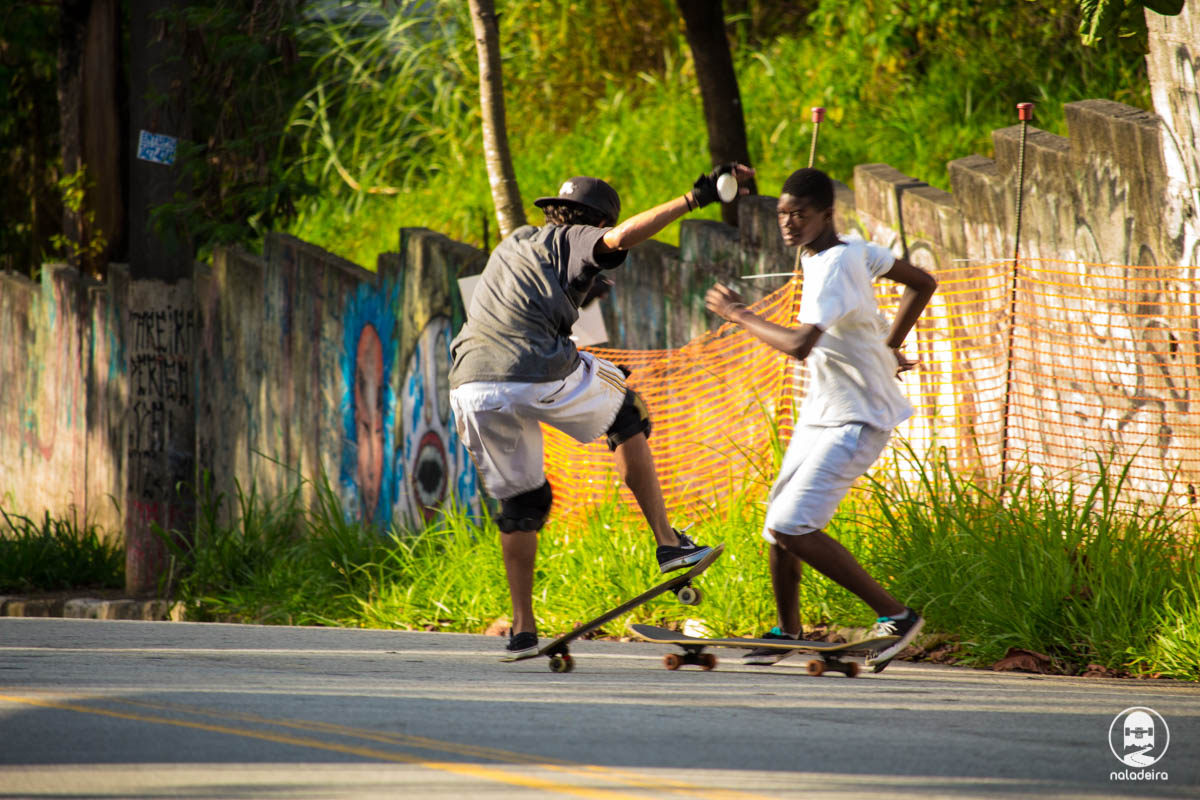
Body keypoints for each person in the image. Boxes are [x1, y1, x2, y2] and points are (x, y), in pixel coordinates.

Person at [450, 162, 755, 658]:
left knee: (523, 505)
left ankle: (523, 628)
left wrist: (577, 295)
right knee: (628, 412)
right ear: (587, 221)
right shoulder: (574, 237)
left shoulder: (515, 246)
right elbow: (616, 239)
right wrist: (693, 199)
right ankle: (669, 544)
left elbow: (529, 306)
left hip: (469, 384)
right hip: (529, 366)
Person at [704, 167, 937, 670]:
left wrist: (739, 315)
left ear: (826, 215)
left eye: (800, 215)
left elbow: (800, 345)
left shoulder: (833, 265)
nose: (788, 224)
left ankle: (895, 616)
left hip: (857, 418)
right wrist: (888, 346)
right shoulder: (848, 249)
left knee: (792, 523)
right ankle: (788, 631)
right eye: (783, 215)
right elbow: (921, 281)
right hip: (824, 414)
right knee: (776, 526)